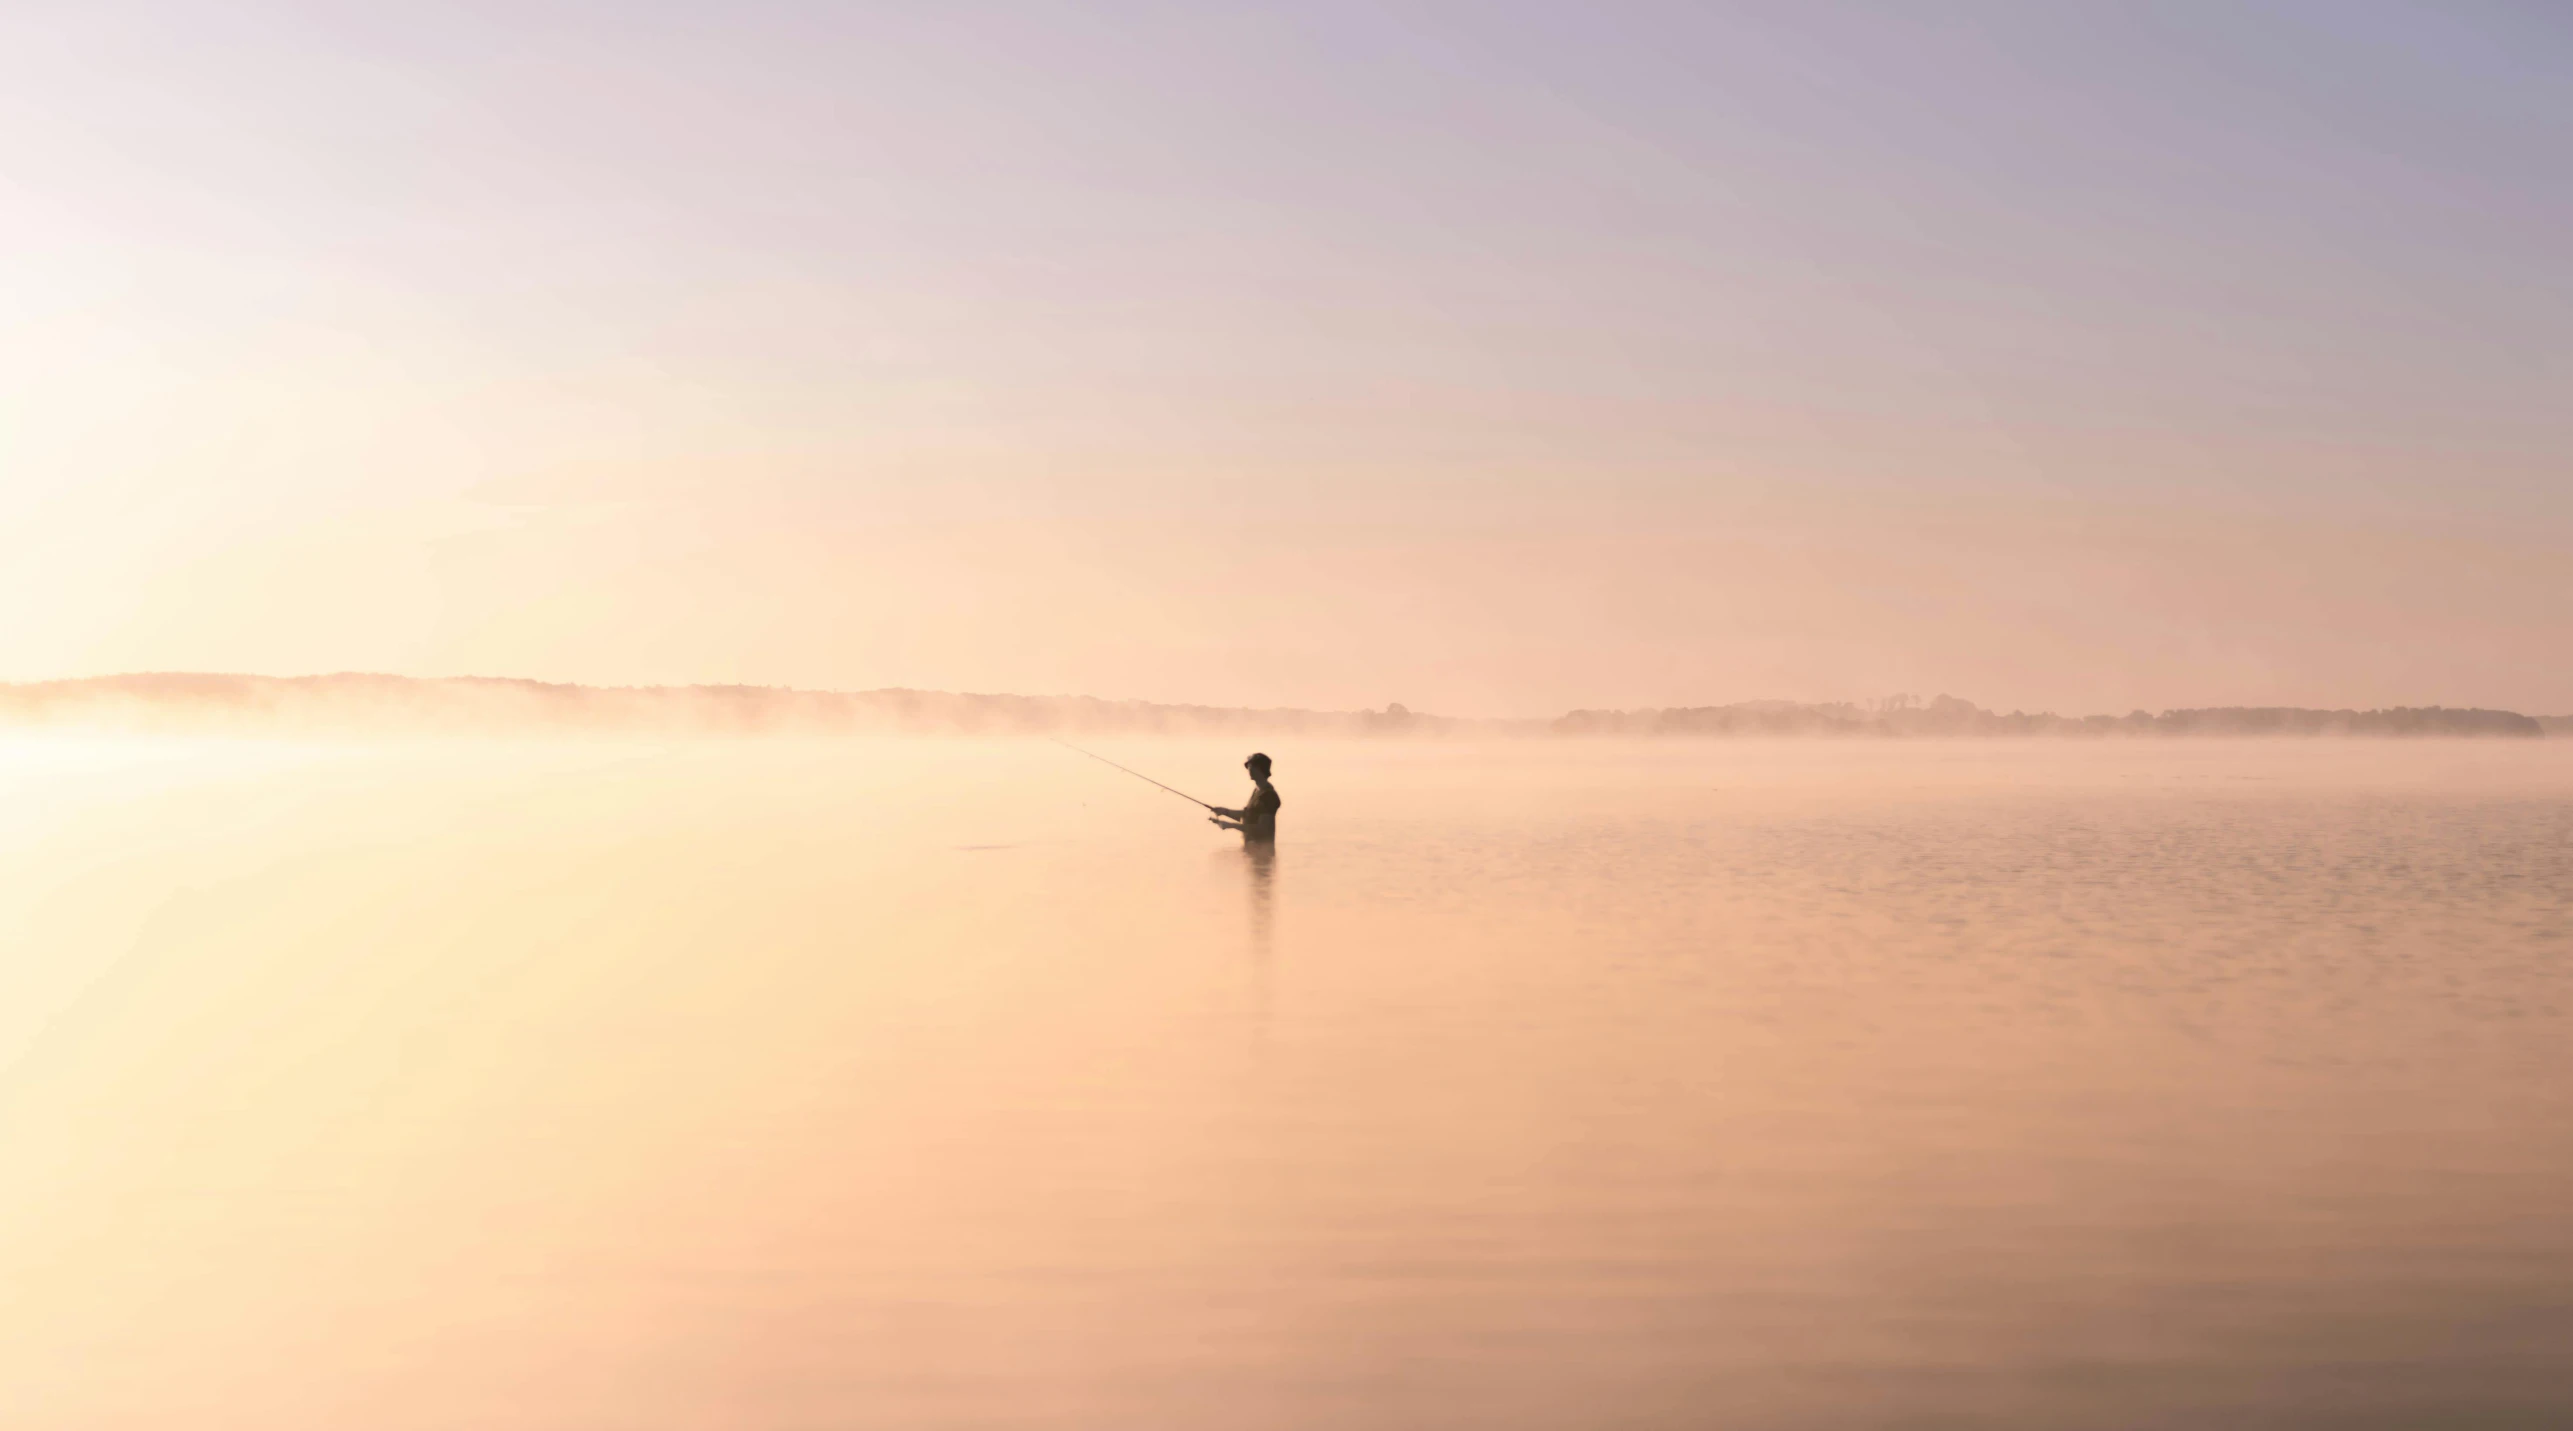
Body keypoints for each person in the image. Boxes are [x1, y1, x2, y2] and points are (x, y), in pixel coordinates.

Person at [1209, 752, 1281, 843]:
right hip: (1251, 850)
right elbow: (1248, 814)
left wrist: (1231, 825)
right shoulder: (1257, 791)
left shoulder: (1268, 796)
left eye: (1250, 766)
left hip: (1261, 852)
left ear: (1259, 768)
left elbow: (1263, 830)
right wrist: (1225, 812)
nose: (1248, 769)